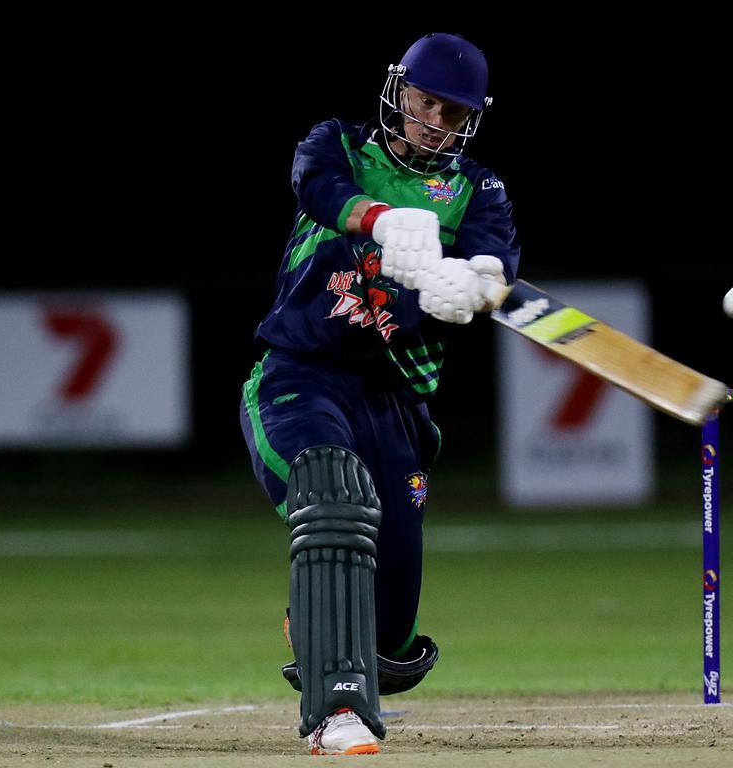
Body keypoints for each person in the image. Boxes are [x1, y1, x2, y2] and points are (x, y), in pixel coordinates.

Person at [239, 32, 520, 756]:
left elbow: (494, 260)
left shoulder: (475, 189)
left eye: (454, 114)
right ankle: (335, 715)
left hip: (393, 402)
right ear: (399, 92)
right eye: (427, 103)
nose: (436, 122)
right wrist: (379, 218)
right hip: (300, 373)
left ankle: (328, 628)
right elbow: (319, 190)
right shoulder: (337, 145)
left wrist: (473, 285)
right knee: (332, 493)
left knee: (389, 637)